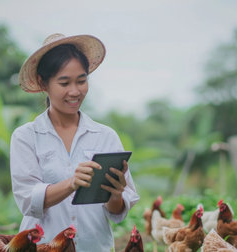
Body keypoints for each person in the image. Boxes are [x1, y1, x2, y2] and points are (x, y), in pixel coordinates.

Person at [10, 33, 140, 251]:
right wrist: (71, 183)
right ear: (43, 83)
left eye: (81, 81)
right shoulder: (26, 136)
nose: (75, 91)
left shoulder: (105, 136)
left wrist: (115, 194)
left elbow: (117, 213)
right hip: (42, 246)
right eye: (64, 82)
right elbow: (27, 200)